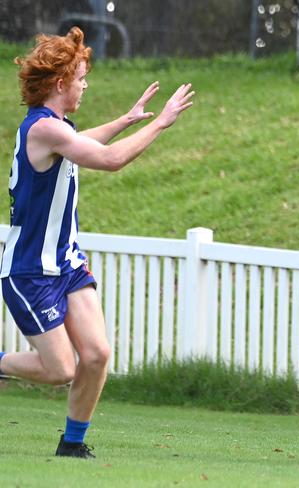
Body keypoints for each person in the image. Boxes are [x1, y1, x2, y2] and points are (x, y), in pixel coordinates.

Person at [0, 27, 194, 458]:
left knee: (97, 354)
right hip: (30, 270)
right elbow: (107, 160)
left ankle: (72, 444)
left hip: (66, 263)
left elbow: (83, 142)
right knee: (60, 369)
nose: (86, 85)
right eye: (82, 78)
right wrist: (162, 123)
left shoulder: (57, 129)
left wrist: (126, 120)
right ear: (60, 83)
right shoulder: (43, 130)